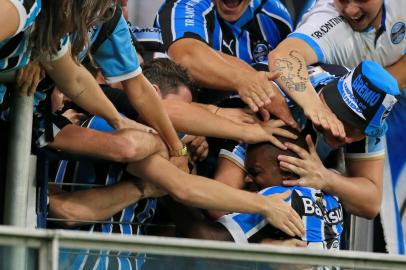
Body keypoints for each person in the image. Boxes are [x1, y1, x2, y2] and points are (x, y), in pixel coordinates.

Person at [211, 61, 399, 220]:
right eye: (346, 126)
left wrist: (326, 179)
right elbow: (217, 206)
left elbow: (371, 203)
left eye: (359, 132)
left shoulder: (372, 117)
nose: (347, 138)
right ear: (328, 102)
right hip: (210, 136)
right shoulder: (279, 102)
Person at [156, 0, 345, 138]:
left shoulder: (275, 15)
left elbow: (287, 74)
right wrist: (247, 79)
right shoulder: (185, 5)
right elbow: (187, 56)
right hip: (184, 122)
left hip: (254, 126)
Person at [161, 129, 343, 251]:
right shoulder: (332, 198)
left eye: (255, 172)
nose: (247, 179)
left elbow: (204, 239)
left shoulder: (280, 196)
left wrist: (167, 183)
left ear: (287, 172)